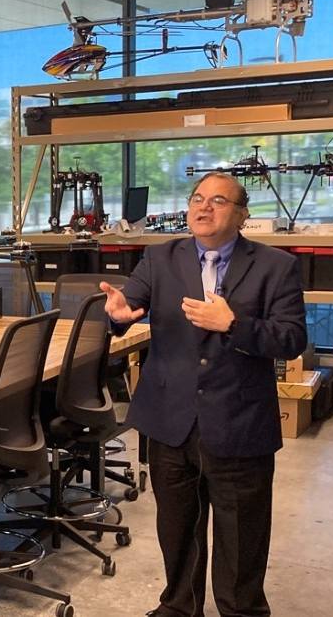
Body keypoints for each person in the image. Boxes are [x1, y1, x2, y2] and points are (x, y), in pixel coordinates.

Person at [100, 172, 307, 617]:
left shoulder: (277, 265)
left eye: (218, 200)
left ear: (242, 214)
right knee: (177, 528)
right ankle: (179, 606)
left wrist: (234, 324)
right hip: (170, 420)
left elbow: (291, 339)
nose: (203, 207)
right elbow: (129, 306)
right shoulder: (159, 258)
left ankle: (242, 609)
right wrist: (118, 316)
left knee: (241, 535)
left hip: (238, 422)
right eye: (197, 198)